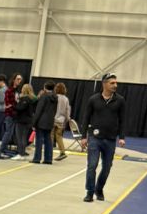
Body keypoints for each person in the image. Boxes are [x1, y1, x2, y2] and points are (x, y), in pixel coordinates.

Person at [79, 73, 127, 202]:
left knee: (107, 167)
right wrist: (83, 136)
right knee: (92, 165)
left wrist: (121, 137)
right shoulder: (93, 99)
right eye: (112, 83)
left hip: (110, 139)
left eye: (116, 83)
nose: (115, 85)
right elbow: (86, 118)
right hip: (95, 138)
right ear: (104, 84)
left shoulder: (120, 100)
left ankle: (98, 188)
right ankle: (89, 192)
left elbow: (122, 120)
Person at [31, 82, 58, 165]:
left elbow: (39, 110)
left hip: (41, 121)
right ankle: (48, 159)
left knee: (39, 140)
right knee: (48, 140)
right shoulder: (55, 97)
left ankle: (37, 158)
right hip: (50, 121)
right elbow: (55, 110)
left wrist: (34, 122)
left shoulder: (44, 97)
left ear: (45, 88)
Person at [0, 73, 23, 156]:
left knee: (12, 133)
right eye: (18, 79)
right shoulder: (9, 91)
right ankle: (1, 149)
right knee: (8, 132)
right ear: (13, 80)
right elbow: (8, 104)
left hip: (16, 114)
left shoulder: (18, 91)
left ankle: (5, 149)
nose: (19, 81)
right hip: (10, 114)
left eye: (20, 79)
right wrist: (15, 107)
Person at [10, 83, 36, 160]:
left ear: (24, 90)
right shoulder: (32, 99)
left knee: (20, 137)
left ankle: (20, 154)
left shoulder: (25, 99)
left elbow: (20, 108)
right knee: (23, 138)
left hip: (22, 121)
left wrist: (13, 105)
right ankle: (22, 153)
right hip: (28, 121)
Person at [53, 81, 71, 161]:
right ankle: (62, 152)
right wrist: (66, 120)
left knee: (50, 136)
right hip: (61, 121)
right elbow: (67, 111)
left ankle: (48, 153)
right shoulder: (66, 99)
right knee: (59, 137)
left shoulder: (54, 97)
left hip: (53, 119)